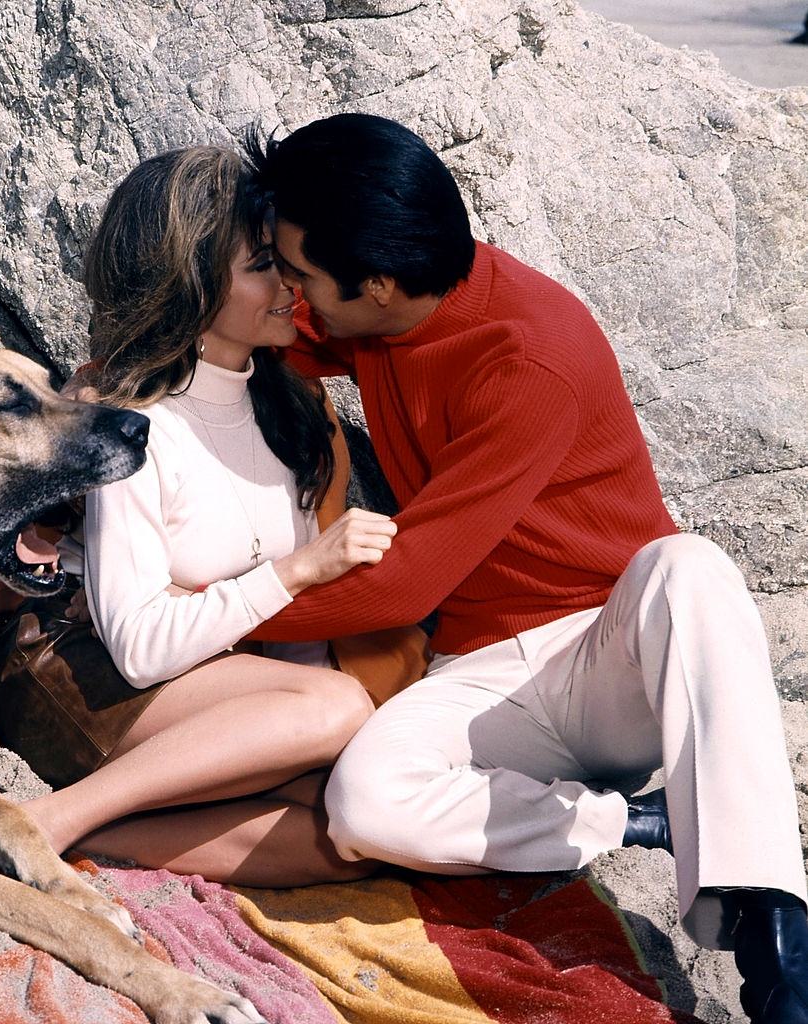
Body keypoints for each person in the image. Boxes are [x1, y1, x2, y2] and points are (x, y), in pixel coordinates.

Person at [242, 113, 808, 1023]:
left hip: (605, 657)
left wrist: (206, 610)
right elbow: (260, 332)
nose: (290, 291)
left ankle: (783, 960)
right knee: (366, 806)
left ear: (379, 286)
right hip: (481, 675)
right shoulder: (383, 308)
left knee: (692, 567)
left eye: (300, 274)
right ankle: (634, 823)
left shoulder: (530, 354)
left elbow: (404, 584)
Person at [15, 145, 404, 887]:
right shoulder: (132, 421)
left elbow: (289, 638)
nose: (291, 284)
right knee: (332, 711)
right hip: (88, 677)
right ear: (189, 283)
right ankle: (53, 817)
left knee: (366, 816)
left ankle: (109, 834)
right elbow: (136, 646)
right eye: (263, 265)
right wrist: (300, 571)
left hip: (222, 695)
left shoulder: (290, 406)